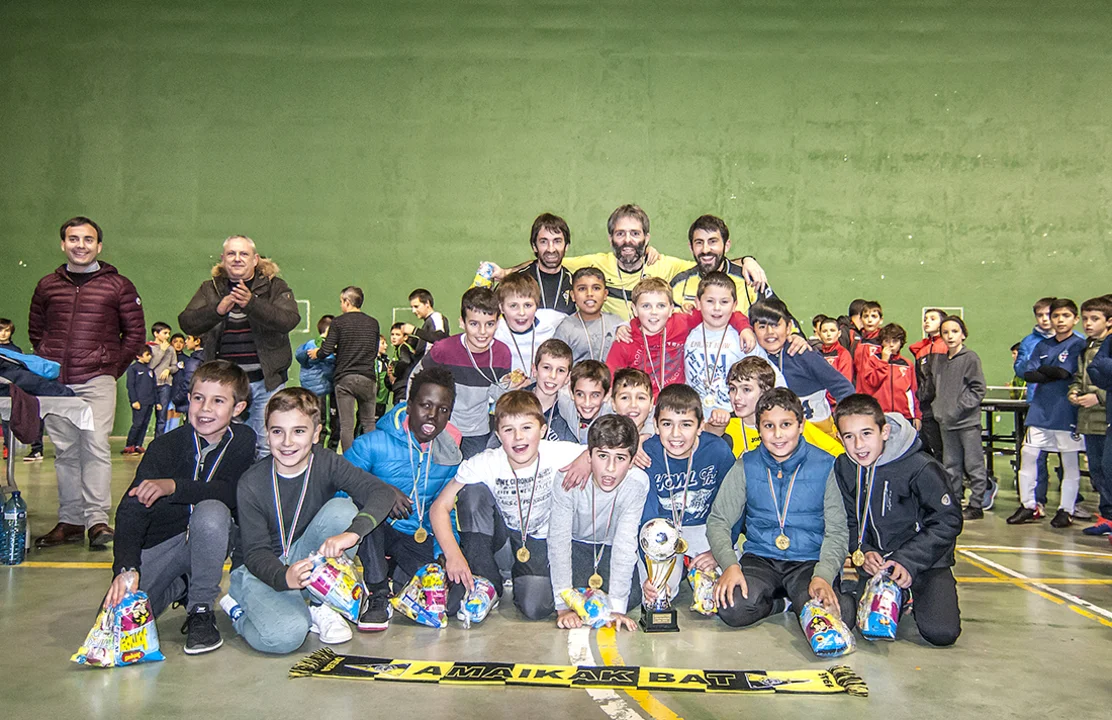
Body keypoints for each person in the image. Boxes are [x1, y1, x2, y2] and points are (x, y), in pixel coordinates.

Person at [224, 388, 396, 654]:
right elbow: (256, 553)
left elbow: (382, 493)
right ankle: (237, 610)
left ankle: (319, 603)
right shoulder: (251, 483)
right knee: (286, 636)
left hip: (304, 559)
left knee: (342, 511)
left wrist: (353, 533)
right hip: (258, 569)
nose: (287, 442)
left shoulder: (326, 462)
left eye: (299, 431)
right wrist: (284, 576)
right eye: (277, 431)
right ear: (266, 433)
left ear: (316, 434)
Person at [106, 361, 256, 654]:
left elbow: (231, 492)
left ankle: (200, 608)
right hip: (165, 545)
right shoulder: (164, 447)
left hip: (212, 536)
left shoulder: (243, 441)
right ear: (188, 399)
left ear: (238, 408)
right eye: (198, 398)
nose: (205, 409)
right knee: (117, 625)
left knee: (212, 511)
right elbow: (131, 509)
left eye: (218, 401)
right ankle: (182, 584)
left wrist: (174, 486)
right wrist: (126, 567)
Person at [29, 216, 146, 550]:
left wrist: (109, 369)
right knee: (65, 452)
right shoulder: (47, 286)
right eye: (73, 239)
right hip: (56, 385)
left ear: (99, 246)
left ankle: (96, 521)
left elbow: (135, 334)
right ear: (63, 244)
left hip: (97, 380)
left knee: (95, 447)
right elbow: (37, 331)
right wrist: (50, 362)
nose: (80, 245)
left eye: (88, 239)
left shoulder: (118, 286)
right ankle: (70, 521)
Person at [430, 391, 587, 620]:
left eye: (527, 428)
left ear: (543, 430)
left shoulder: (560, 452)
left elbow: (607, 450)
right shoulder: (486, 462)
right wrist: (453, 554)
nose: (518, 437)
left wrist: (587, 459)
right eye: (508, 430)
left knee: (535, 608)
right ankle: (486, 579)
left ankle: (517, 577)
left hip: (539, 542)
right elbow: (438, 508)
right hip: (502, 541)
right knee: (472, 493)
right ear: (498, 434)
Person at [707, 388, 851, 631]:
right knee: (732, 607)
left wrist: (823, 575)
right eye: (768, 426)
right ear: (758, 428)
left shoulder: (826, 465)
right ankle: (781, 605)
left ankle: (803, 600)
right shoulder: (745, 465)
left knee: (833, 617)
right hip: (761, 557)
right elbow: (719, 520)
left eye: (786, 424)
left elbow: (837, 530)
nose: (777, 434)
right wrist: (730, 565)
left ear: (801, 425)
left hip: (809, 560)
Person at [832, 394, 962, 647]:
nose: (858, 445)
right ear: (839, 437)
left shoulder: (921, 466)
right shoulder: (845, 467)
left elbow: (947, 521)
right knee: (867, 627)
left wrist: (908, 561)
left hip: (924, 563)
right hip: (878, 566)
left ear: (884, 431)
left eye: (866, 433)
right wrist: (864, 551)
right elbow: (848, 520)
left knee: (941, 633)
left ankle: (912, 594)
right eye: (849, 436)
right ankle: (897, 597)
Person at [489, 205, 769, 321]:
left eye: (635, 234)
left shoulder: (666, 266)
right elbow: (549, 258)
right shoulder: (596, 263)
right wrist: (506, 272)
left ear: (646, 238)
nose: (627, 240)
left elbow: (707, 260)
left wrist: (746, 261)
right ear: (611, 238)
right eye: (620, 234)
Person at [345, 367, 462, 632]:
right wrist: (381, 491)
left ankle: (396, 576)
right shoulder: (372, 443)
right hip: (378, 531)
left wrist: (444, 552)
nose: (432, 415)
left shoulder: (450, 456)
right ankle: (377, 593)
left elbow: (446, 510)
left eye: (443, 410)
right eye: (425, 405)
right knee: (367, 510)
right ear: (409, 406)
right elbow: (339, 489)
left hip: (415, 534)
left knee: (449, 600)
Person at [179, 234, 301, 457]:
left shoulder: (275, 287)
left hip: (266, 383)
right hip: (223, 386)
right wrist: (217, 310)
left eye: (244, 254)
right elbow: (187, 322)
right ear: (223, 259)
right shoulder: (210, 289)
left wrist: (252, 303)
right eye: (231, 254)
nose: (237, 258)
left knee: (266, 446)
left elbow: (289, 320)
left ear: (255, 259)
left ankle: (261, 482)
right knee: (222, 445)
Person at [639, 384, 736, 605]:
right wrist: (651, 571)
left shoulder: (718, 451)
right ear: (656, 425)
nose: (676, 434)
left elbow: (733, 508)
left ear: (701, 426)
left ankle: (689, 567)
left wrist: (719, 551)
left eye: (686, 424)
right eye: (667, 424)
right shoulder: (646, 454)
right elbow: (646, 519)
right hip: (661, 531)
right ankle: (676, 570)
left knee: (722, 598)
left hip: (705, 529)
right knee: (655, 598)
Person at [550, 415, 648, 630]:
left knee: (632, 596)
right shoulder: (568, 479)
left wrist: (617, 610)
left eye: (620, 458)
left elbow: (625, 545)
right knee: (542, 599)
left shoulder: (637, 485)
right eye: (602, 456)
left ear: (632, 461)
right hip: (576, 546)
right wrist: (563, 606)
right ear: (589, 456)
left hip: (608, 549)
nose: (610, 468)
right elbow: (559, 541)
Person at [606, 277, 754, 397]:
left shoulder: (680, 323)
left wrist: (744, 328)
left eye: (661, 306)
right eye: (646, 306)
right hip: (642, 407)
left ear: (671, 309)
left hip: (678, 402)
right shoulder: (625, 340)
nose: (654, 312)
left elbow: (721, 313)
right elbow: (611, 380)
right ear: (634, 309)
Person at [1008, 299, 1087, 526]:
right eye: (1056, 316)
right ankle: (1028, 505)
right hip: (1040, 409)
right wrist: (1050, 372)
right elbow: (1028, 373)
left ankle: (1066, 509)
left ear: (1075, 319)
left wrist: (1045, 371)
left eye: (1065, 316)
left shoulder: (1079, 345)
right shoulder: (1042, 345)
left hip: (1066, 411)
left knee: (1069, 462)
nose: (1060, 320)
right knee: (1028, 455)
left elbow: (1065, 373)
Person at [410, 286, 511, 459]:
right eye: (474, 324)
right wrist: (410, 414)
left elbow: (497, 394)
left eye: (489, 324)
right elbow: (415, 379)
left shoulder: (502, 354)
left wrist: (510, 386)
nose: (482, 332)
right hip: (442, 428)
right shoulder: (443, 349)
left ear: (498, 323)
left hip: (477, 432)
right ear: (462, 323)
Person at [750, 298, 855, 437]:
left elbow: (844, 388)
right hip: (776, 438)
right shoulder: (753, 360)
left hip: (817, 435)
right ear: (753, 330)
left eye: (775, 325)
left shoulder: (803, 354)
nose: (770, 332)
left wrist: (847, 426)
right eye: (762, 327)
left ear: (788, 327)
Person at [669, 215, 796, 327]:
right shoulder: (679, 283)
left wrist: (796, 336)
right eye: (699, 243)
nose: (705, 249)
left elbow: (782, 319)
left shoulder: (749, 280)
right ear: (691, 247)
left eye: (713, 242)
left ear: (727, 245)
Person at [683, 272, 770, 434]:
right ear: (698, 303)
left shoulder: (744, 339)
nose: (717, 308)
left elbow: (770, 376)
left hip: (735, 420)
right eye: (710, 301)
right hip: (696, 421)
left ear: (734, 304)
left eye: (724, 302)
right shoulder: (686, 334)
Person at [723, 356, 842, 458]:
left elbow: (837, 452)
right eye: (733, 389)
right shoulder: (725, 428)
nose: (737, 397)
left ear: (766, 391)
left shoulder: (789, 424)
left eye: (746, 389)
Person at [932, 316, 989, 520]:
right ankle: (954, 502)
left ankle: (976, 504)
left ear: (963, 334)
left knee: (974, 464)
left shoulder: (970, 358)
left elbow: (978, 389)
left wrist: (958, 409)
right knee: (951, 465)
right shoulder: (939, 361)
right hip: (946, 423)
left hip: (966, 423)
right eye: (945, 332)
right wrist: (939, 410)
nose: (950, 336)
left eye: (954, 331)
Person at [312, 286, 381, 450]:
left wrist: (317, 353)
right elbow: (374, 349)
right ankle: (372, 458)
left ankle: (349, 459)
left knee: (346, 425)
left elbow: (326, 349)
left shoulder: (338, 322)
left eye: (341, 302)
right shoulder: (373, 323)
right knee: (369, 423)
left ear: (347, 302)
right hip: (368, 377)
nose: (341, 305)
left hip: (345, 378)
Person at [1013, 297, 1063, 508]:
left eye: (1048, 315)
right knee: (1036, 455)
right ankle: (1037, 501)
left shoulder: (1075, 340)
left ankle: (1071, 503)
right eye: (1040, 315)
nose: (1044, 319)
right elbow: (1021, 369)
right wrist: (1034, 362)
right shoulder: (1029, 342)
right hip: (1037, 402)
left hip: (1064, 404)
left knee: (1067, 454)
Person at [1071, 296, 1111, 535]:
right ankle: (1107, 517)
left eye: (1094, 319)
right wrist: (1074, 391)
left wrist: (1099, 397)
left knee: (1109, 468)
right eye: (1085, 319)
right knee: (1097, 470)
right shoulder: (1086, 347)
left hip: (1106, 417)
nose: (1088, 323)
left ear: (1109, 321)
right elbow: (1079, 376)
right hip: (1088, 419)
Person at [493, 273, 565, 379]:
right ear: (501, 308)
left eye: (528, 305)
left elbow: (576, 320)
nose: (521, 313)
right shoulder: (494, 330)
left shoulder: (550, 320)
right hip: (507, 387)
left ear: (537, 305)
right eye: (513, 306)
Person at [553, 267, 624, 364]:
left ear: (605, 294)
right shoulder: (565, 328)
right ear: (573, 296)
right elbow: (556, 363)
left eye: (596, 288)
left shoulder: (617, 323)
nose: (589, 294)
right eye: (582, 289)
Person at [0, 318, 45, 461]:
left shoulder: (17, 351)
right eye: (0, 330)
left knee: (33, 415)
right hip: (3, 391)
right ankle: (8, 447)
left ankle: (37, 449)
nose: (3, 334)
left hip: (19, 389)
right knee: (6, 419)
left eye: (7, 330)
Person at [857, 323, 920, 426]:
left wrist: (917, 415)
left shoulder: (907, 364)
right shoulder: (873, 360)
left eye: (895, 341)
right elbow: (872, 382)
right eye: (887, 341)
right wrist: (883, 361)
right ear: (881, 342)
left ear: (901, 342)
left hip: (904, 415)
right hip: (879, 414)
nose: (891, 345)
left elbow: (913, 390)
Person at [514, 213, 575, 314]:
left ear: (566, 246)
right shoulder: (516, 281)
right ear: (534, 246)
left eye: (557, 241)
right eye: (543, 242)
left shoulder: (574, 284)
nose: (551, 249)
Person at [910, 308, 949, 461]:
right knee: (931, 448)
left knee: (946, 451)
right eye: (925, 319)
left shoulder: (946, 347)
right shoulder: (921, 351)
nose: (927, 321)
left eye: (933, 319)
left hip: (943, 407)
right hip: (926, 407)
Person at [295, 316, 338, 449]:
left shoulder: (309, 345)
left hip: (310, 391)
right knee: (327, 426)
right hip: (324, 390)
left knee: (312, 424)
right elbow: (330, 368)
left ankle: (313, 453)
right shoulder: (326, 348)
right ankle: (324, 455)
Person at [123, 347, 157, 456]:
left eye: (150, 355)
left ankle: (138, 444)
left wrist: (157, 402)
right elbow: (130, 386)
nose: (149, 357)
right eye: (147, 355)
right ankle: (129, 445)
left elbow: (154, 387)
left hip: (149, 401)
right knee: (137, 424)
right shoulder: (133, 369)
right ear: (138, 356)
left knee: (145, 424)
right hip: (139, 402)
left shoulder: (150, 370)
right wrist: (134, 400)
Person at [401, 288, 450, 364]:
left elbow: (440, 338)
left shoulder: (436, 317)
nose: (413, 311)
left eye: (416, 306)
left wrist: (415, 330)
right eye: (412, 307)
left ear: (427, 303)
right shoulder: (428, 321)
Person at [569, 360, 613, 443]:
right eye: (580, 394)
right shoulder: (565, 403)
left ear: (607, 395)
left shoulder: (613, 413)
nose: (587, 403)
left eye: (595, 395)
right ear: (571, 393)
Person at [148, 322, 178, 438]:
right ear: (156, 334)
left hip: (165, 384)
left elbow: (175, 366)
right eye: (165, 333)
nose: (167, 336)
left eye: (168, 333)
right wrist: (162, 351)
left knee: (162, 415)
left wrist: (168, 370)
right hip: (150, 384)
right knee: (145, 414)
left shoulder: (171, 349)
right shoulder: (149, 347)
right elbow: (150, 365)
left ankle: (159, 439)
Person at [852, 301, 884, 392]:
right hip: (860, 392)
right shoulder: (857, 341)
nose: (869, 320)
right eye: (866, 316)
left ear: (881, 320)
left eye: (874, 316)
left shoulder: (883, 341)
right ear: (861, 319)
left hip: (878, 392)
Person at [817, 316, 854, 384]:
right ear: (819, 334)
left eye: (832, 330)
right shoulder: (817, 355)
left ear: (839, 333)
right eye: (824, 331)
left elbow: (845, 382)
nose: (828, 334)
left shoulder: (843, 354)